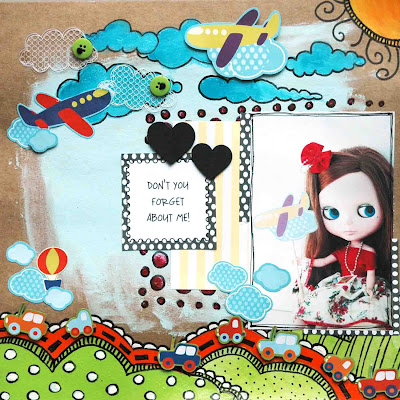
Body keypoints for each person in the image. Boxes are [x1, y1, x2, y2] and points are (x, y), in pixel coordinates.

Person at [303, 144, 393, 293]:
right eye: (332, 213)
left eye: (367, 210)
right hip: (342, 285)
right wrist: (305, 262)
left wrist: (369, 290)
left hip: (361, 288)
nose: (348, 222)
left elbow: (371, 275)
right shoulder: (341, 251)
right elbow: (323, 261)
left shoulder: (368, 252)